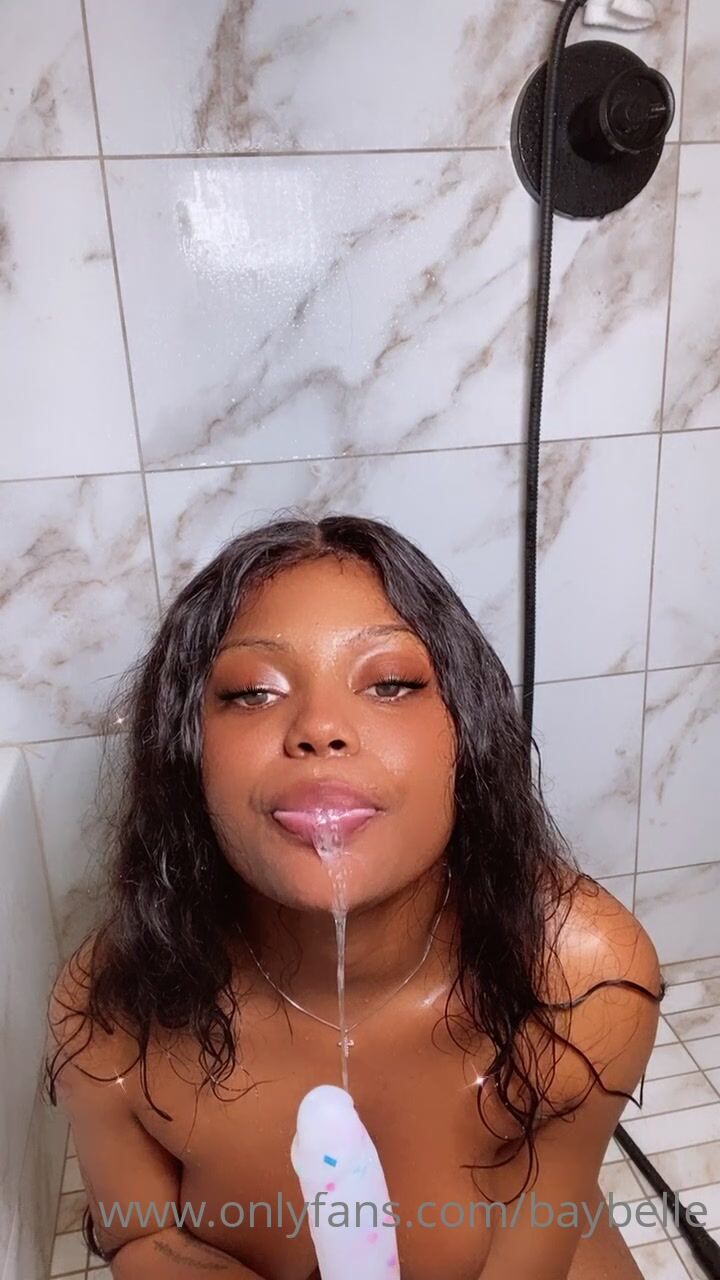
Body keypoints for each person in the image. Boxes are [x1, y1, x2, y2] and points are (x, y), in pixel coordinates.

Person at [45, 513, 663, 1279]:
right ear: (186, 754)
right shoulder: (108, 1012)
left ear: (467, 734)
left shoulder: (582, 978)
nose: (320, 728)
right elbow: (140, 1235)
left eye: (391, 682)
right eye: (252, 692)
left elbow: (549, 1224)